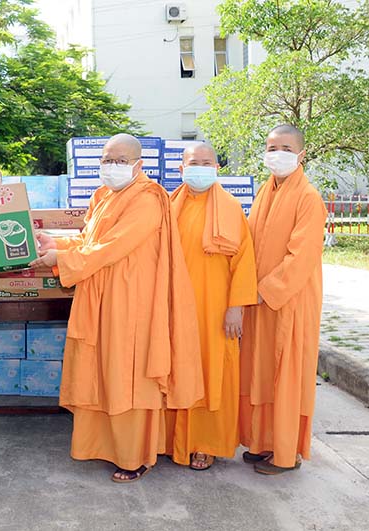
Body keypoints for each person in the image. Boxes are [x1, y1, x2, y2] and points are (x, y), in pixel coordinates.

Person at [29, 133, 203, 483]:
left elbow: (113, 246)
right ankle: (103, 445)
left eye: (120, 160)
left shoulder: (148, 199)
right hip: (100, 293)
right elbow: (91, 240)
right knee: (101, 370)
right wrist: (56, 242)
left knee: (128, 374)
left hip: (132, 301)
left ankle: (134, 455)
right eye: (107, 160)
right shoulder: (103, 196)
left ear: (138, 164)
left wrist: (61, 258)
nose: (112, 166)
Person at [239, 124, 327, 474]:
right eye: (272, 147)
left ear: (301, 154)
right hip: (260, 302)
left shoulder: (308, 198)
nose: (278, 154)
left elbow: (300, 257)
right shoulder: (265, 191)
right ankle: (263, 442)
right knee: (261, 372)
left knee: (287, 376)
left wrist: (261, 291)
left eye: (286, 148)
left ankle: (286, 453)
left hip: (290, 302)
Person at [164, 143, 257, 470]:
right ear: (181, 169)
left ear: (217, 169)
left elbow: (245, 261)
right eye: (193, 163)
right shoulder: (168, 205)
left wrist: (237, 307)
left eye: (206, 163)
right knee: (173, 368)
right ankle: (172, 439)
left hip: (214, 308)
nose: (199, 168)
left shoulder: (230, 208)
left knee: (211, 373)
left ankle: (205, 444)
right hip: (174, 307)